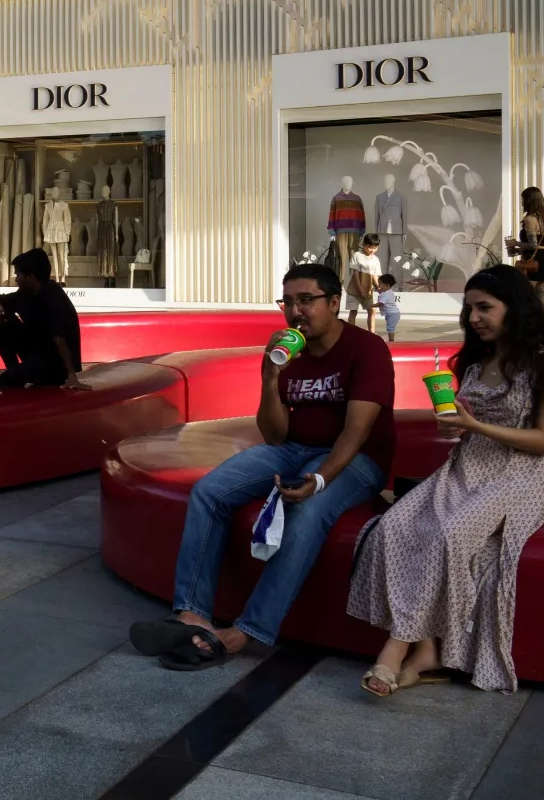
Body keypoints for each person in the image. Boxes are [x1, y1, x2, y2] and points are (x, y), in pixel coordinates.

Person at [129, 263, 395, 669]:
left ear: (335, 303)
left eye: (306, 300)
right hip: (291, 448)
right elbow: (273, 435)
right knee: (209, 492)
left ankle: (247, 632)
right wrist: (271, 378)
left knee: (305, 512)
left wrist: (321, 479)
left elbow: (357, 431)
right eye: (287, 302)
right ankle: (192, 613)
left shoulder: (366, 349)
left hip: (356, 459)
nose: (295, 311)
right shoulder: (286, 352)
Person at [347, 266, 544, 696]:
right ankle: (427, 651)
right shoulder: (476, 362)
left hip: (517, 476)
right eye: (469, 309)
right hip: (464, 467)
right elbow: (467, 424)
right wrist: (458, 428)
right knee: (392, 529)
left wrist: (476, 426)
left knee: (447, 534)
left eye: (485, 308)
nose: (474, 318)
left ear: (516, 308)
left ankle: (394, 654)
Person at [0, 249, 85, 389]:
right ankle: (12, 367)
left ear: (30, 277)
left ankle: (16, 374)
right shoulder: (25, 293)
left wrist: (71, 375)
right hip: (36, 351)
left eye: (18, 275)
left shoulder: (53, 297)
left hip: (53, 364)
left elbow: (59, 338)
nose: (16, 279)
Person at [505, 187, 544, 304]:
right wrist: (518, 250)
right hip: (543, 264)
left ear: (529, 201)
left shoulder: (530, 219)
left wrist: (515, 243)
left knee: (524, 301)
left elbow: (533, 245)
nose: (522, 202)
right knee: (542, 304)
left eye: (523, 199)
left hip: (532, 267)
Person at [346, 233, 383, 330]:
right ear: (364, 245)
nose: (372, 250)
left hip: (368, 290)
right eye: (370, 247)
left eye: (375, 248)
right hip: (354, 290)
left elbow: (375, 276)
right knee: (353, 311)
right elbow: (356, 273)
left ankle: (372, 333)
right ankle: (350, 333)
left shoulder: (376, 260)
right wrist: (359, 288)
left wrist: (379, 287)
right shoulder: (357, 255)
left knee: (371, 311)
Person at [377, 274, 402, 341]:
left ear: (387, 285)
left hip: (392, 314)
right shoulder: (387, 292)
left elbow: (381, 303)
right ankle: (391, 340)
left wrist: (371, 305)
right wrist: (381, 291)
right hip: (392, 313)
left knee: (390, 328)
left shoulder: (386, 294)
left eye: (380, 284)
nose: (378, 286)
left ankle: (391, 341)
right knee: (390, 328)